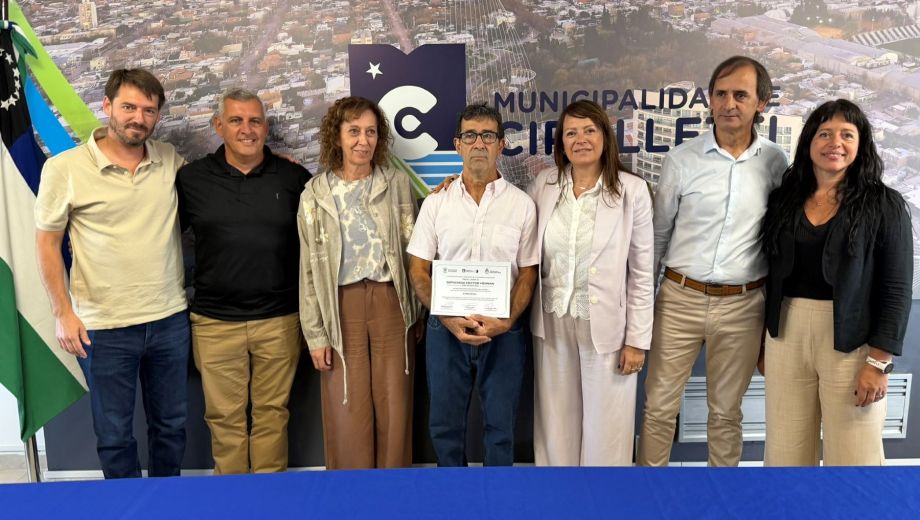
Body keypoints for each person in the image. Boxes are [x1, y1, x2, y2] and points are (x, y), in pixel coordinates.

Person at [35, 69, 189, 479]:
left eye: (148, 110)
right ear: (106, 106)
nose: (138, 117)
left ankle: (166, 505)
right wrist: (62, 312)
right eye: (128, 107)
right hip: (102, 327)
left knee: (171, 429)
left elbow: (218, 183)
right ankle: (129, 509)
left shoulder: (170, 160)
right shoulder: (64, 168)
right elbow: (48, 243)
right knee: (115, 436)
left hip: (169, 319)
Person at [637, 56, 789, 467]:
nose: (728, 103)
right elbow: (658, 235)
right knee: (658, 409)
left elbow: (780, 245)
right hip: (679, 298)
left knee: (725, 413)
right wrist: (644, 306)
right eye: (720, 93)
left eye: (741, 94)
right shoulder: (681, 160)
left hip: (743, 306)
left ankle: (724, 498)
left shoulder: (777, 164)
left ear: (762, 102)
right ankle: (650, 495)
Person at [760, 99, 912, 466]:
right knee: (785, 450)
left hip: (853, 338)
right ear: (809, 140)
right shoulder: (784, 199)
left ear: (861, 145)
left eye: (847, 134)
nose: (835, 142)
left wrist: (878, 363)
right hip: (786, 332)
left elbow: (896, 289)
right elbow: (770, 272)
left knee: (854, 453)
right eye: (824, 133)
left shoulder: (885, 204)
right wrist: (764, 342)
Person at [176, 88, 311, 474]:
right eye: (236, 120)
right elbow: (157, 234)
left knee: (272, 415)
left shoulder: (293, 177)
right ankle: (233, 504)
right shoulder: (192, 180)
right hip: (215, 323)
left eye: (255, 121)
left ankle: (269, 501)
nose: (246, 129)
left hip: (279, 321)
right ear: (219, 126)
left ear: (266, 127)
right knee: (224, 420)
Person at [408, 102, 539, 467]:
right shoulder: (437, 204)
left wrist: (509, 320)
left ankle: (499, 502)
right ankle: (453, 503)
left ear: (500, 144)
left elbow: (528, 273)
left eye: (488, 136)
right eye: (470, 135)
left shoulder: (523, 205)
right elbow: (418, 269)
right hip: (445, 328)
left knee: (501, 429)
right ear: (457, 144)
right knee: (445, 429)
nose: (478, 143)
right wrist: (447, 317)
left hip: (504, 331)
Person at [298, 96, 421, 469]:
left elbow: (413, 248)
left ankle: (395, 494)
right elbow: (307, 268)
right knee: (345, 404)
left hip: (391, 304)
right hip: (340, 306)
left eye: (370, 132)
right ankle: (351, 497)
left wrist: (415, 310)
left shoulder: (397, 185)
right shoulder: (315, 195)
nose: (362, 141)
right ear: (337, 137)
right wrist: (315, 333)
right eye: (353, 131)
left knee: (394, 403)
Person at [528, 100, 654, 466]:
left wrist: (637, 340)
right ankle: (557, 500)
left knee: (607, 430)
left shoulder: (632, 191)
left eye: (589, 130)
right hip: (551, 321)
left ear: (605, 137)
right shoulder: (544, 185)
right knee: (555, 425)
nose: (580, 139)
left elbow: (643, 273)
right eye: (571, 132)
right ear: (561, 143)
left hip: (609, 330)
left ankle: (602, 501)